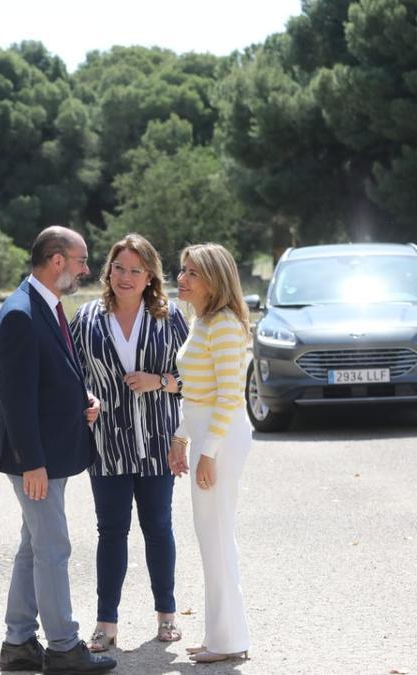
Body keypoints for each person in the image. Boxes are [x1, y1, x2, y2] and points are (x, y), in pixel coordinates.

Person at [0, 226, 115, 674]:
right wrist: (33, 464)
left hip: (49, 454)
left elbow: (50, 376)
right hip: (35, 461)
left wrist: (81, 400)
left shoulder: (46, 306)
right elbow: (16, 400)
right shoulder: (20, 314)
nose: (87, 269)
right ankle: (64, 647)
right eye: (82, 261)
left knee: (33, 547)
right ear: (57, 260)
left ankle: (19, 643)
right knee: (53, 548)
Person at [68, 234, 188, 653]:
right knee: (111, 531)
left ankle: (167, 615)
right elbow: (71, 374)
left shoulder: (170, 318)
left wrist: (161, 381)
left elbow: (193, 378)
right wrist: (84, 397)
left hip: (157, 442)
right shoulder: (85, 318)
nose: (126, 277)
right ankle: (106, 623)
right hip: (107, 444)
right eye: (120, 268)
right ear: (109, 270)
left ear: (150, 275)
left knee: (158, 529)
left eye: (136, 270)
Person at [166, 243, 251, 665]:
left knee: (217, 535)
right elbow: (196, 394)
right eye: (182, 270)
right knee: (211, 538)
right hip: (204, 435)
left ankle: (230, 640)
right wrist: (182, 438)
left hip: (222, 438)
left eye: (192, 273)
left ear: (214, 280)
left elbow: (230, 397)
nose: (181, 278)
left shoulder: (225, 326)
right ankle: (222, 633)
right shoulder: (200, 322)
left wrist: (209, 452)